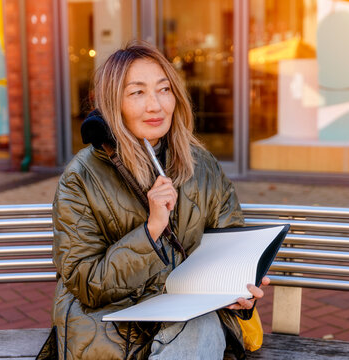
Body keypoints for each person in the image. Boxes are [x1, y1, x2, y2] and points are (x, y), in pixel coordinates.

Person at [41, 41, 268, 360]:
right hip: (109, 328)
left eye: (163, 90)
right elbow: (86, 284)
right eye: (137, 93)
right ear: (112, 103)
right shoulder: (82, 176)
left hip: (190, 320)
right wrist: (151, 230)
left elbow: (228, 249)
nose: (155, 106)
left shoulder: (202, 166)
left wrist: (238, 291)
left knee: (199, 328)